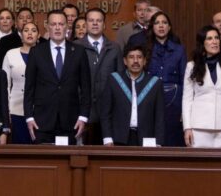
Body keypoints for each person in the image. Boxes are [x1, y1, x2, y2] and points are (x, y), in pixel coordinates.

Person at [23, 10, 91, 144]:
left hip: (71, 121)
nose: (57, 28)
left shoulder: (79, 51)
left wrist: (83, 117)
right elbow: (29, 88)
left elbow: (86, 88)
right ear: (47, 27)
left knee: (68, 157)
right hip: (41, 121)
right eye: (54, 24)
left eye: (61, 24)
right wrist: (29, 117)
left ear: (67, 27)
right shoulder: (36, 52)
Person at [182, 26, 221, 147]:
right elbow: (187, 99)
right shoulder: (192, 66)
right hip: (199, 127)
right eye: (209, 38)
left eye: (216, 38)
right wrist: (187, 127)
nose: (214, 41)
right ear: (202, 43)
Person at [136, 10, 186, 146]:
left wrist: (184, 109)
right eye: (157, 23)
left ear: (169, 27)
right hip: (150, 100)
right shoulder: (144, 49)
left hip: (174, 102)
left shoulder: (179, 50)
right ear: (152, 27)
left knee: (172, 141)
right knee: (151, 140)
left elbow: (184, 80)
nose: (161, 25)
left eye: (164, 22)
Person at [100, 44, 165, 147]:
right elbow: (105, 112)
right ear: (125, 61)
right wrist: (107, 138)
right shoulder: (113, 80)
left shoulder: (155, 83)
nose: (135, 61)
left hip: (147, 140)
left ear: (144, 61)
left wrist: (158, 142)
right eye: (131, 57)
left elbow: (160, 116)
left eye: (139, 57)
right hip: (118, 138)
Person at [74, 8, 121, 145]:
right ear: (86, 23)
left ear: (104, 24)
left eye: (99, 21)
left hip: (108, 111)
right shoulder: (75, 47)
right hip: (80, 110)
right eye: (91, 20)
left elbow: (120, 80)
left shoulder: (114, 48)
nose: (95, 23)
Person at [2, 21, 39, 144]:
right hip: (16, 108)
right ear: (21, 35)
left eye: (33, 31)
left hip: (39, 109)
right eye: (26, 30)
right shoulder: (10, 54)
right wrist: (6, 109)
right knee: (20, 145)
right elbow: (5, 85)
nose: (30, 33)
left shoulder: (44, 54)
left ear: (38, 36)